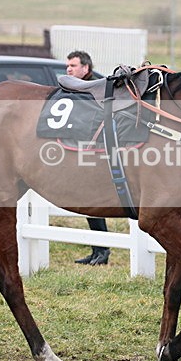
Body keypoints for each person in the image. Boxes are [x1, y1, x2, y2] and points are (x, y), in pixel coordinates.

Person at [66, 50, 111, 266]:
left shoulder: (96, 89)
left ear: (86, 68)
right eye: (68, 65)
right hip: (84, 149)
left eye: (73, 65)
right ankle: (98, 250)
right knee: (89, 201)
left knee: (94, 200)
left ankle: (102, 251)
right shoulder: (76, 88)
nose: (69, 69)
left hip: (98, 152)